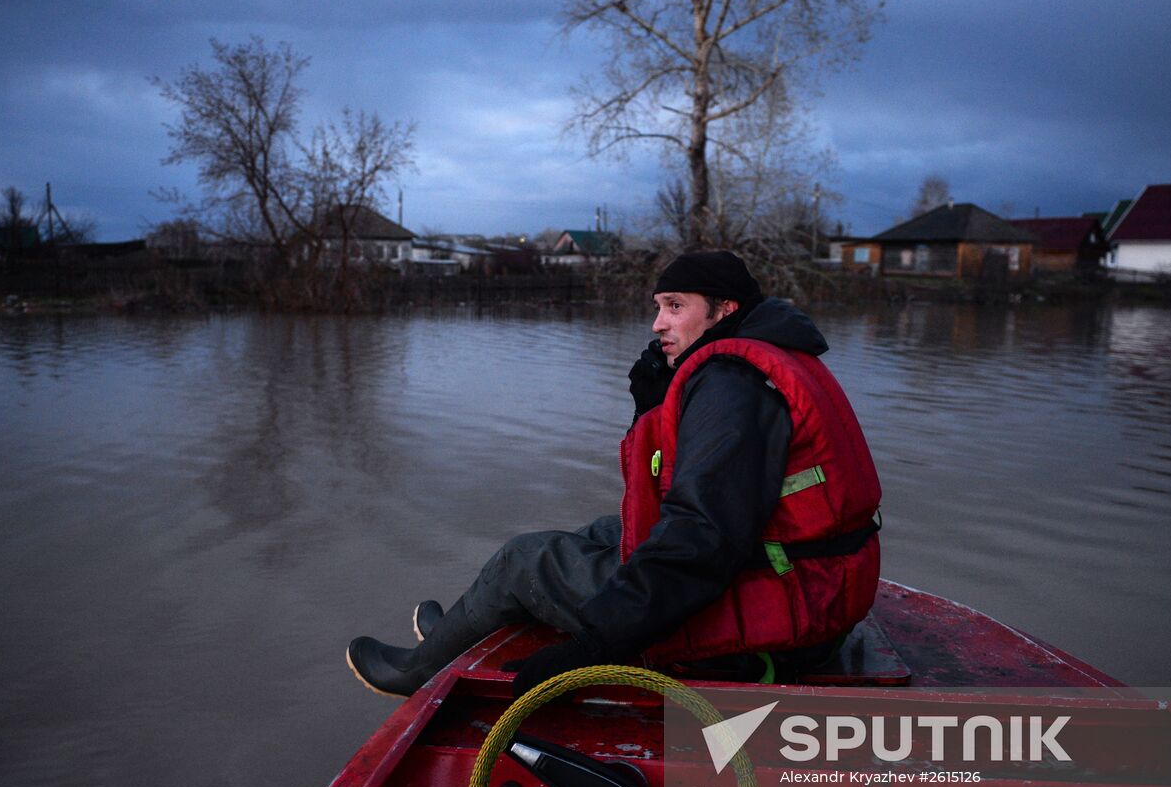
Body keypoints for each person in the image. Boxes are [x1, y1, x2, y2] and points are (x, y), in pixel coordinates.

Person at [347, 250, 881, 698]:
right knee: (603, 531)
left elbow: (699, 536)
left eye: (675, 306)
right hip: (806, 585)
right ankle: (467, 629)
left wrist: (593, 648)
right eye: (658, 307)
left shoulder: (730, 387)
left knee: (523, 560)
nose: (658, 323)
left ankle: (417, 673)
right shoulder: (771, 354)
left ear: (724, 310)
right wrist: (652, 407)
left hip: (783, 616)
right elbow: (677, 488)